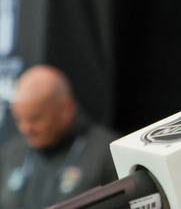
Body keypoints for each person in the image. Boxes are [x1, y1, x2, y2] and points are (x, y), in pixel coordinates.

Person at [0, 65, 118, 208]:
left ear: (66, 109)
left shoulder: (108, 154)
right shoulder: (12, 153)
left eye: (35, 119)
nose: (26, 129)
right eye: (19, 120)